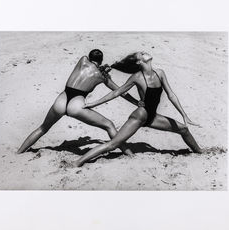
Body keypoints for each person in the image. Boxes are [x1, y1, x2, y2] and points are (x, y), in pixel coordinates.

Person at [72, 51, 202, 167]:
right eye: (142, 54)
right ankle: (78, 162)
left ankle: (201, 152)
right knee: (113, 145)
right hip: (139, 116)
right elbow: (116, 93)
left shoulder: (160, 73)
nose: (145, 52)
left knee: (184, 129)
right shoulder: (137, 77)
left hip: (152, 117)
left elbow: (171, 95)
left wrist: (184, 115)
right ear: (139, 61)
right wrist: (94, 103)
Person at [17, 49, 139, 155]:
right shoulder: (102, 76)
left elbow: (92, 64)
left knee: (43, 128)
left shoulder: (83, 60)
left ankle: (19, 152)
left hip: (62, 99)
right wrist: (135, 102)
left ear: (90, 57)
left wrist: (102, 68)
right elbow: (120, 92)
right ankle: (129, 154)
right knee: (109, 125)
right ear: (101, 61)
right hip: (76, 104)